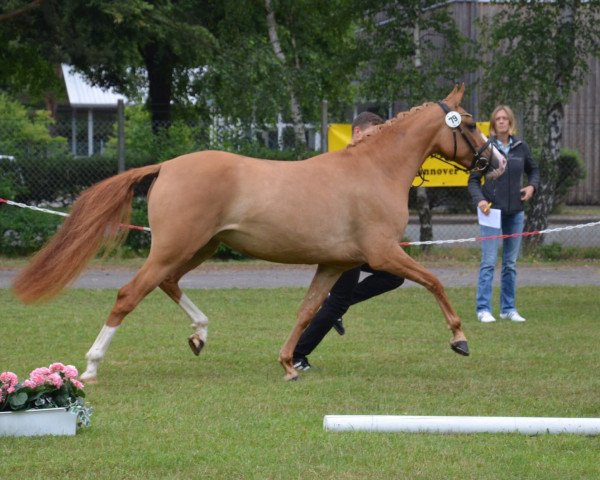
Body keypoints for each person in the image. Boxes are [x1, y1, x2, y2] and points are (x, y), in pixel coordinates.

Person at [292, 112, 405, 371]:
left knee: (393, 276)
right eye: (371, 135)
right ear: (356, 133)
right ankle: (298, 354)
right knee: (339, 301)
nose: (376, 142)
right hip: (341, 244)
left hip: (358, 243)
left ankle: (334, 305)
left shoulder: (366, 166)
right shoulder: (343, 163)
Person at [468, 105, 540, 323]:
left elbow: (534, 170)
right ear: (493, 124)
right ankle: (483, 309)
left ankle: (508, 308)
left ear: (510, 122)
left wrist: (531, 187)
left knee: (510, 263)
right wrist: (480, 200)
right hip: (491, 211)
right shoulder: (486, 149)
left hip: (516, 213)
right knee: (489, 261)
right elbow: (472, 180)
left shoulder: (521, 147)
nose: (501, 121)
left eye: (504, 118)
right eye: (497, 119)